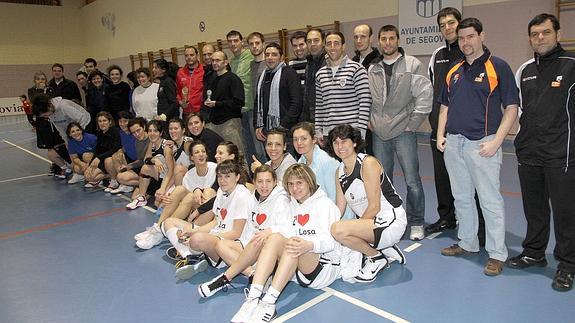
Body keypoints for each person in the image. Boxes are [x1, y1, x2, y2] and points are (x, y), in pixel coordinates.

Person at [437, 17, 519, 276]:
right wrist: (441, 134)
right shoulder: (454, 70)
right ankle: (468, 243)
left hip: (483, 145)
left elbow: (511, 109)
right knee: (461, 198)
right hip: (454, 143)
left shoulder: (499, 67)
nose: (465, 42)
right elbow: (445, 106)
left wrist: (497, 141)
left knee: (489, 201)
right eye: (461, 38)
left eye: (470, 36)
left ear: (481, 36)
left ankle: (497, 253)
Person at [509, 13, 575, 291]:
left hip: (562, 153)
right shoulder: (525, 70)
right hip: (529, 152)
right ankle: (534, 252)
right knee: (534, 209)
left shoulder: (572, 65)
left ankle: (568, 264)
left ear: (557, 33)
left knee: (565, 212)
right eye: (535, 34)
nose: (540, 38)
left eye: (545, 32)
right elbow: (521, 110)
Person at [230, 163, 341, 322]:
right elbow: (284, 228)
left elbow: (331, 242)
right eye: (290, 184)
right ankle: (253, 299)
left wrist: (309, 244)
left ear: (309, 181)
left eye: (299, 183)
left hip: (324, 267)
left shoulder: (324, 205)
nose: (295, 188)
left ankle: (268, 302)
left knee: (293, 242)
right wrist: (270, 231)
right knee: (274, 237)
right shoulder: (292, 205)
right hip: (299, 265)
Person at [426, 8, 486, 243]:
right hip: (441, 130)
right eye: (443, 24)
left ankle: (479, 225)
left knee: (473, 181)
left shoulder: (469, 55)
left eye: (451, 23)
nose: (447, 28)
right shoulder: (437, 55)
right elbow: (436, 91)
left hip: (469, 132)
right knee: (442, 177)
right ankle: (447, 217)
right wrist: (438, 127)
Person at [368, 24, 432, 241]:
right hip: (380, 134)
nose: (387, 42)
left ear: (398, 40)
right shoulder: (373, 68)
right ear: (378, 41)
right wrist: (369, 120)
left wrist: (412, 124)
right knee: (383, 180)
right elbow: (367, 99)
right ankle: (392, 220)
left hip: (404, 132)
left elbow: (424, 96)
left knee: (412, 180)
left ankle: (416, 222)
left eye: (391, 38)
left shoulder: (412, 64)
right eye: (383, 38)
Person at [327, 125, 407, 282]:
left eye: (344, 141)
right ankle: (385, 247)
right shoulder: (340, 171)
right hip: (374, 223)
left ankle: (376, 257)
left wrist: (355, 231)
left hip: (391, 221)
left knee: (339, 231)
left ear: (355, 143)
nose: (340, 146)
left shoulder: (368, 163)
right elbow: (339, 208)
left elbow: (374, 207)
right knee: (335, 228)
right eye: (335, 143)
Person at [198, 164, 291, 298]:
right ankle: (253, 275)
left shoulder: (281, 200)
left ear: (275, 182)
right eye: (260, 181)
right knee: (221, 245)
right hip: (249, 245)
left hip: (266, 249)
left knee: (258, 240)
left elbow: (286, 226)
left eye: (268, 181)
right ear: (254, 182)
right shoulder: (253, 197)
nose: (264, 185)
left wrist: (269, 230)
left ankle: (225, 278)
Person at [167, 160, 252, 280]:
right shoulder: (221, 191)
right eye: (220, 176)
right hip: (216, 235)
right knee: (169, 222)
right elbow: (216, 221)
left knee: (197, 240)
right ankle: (189, 255)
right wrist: (193, 231)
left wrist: (202, 236)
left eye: (227, 176)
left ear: (237, 177)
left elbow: (236, 233)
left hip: (230, 245)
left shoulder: (242, 195)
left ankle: (197, 253)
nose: (222, 180)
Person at [135, 140, 218, 250]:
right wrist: (169, 198)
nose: (201, 154)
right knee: (179, 189)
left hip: (210, 210)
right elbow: (185, 202)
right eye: (197, 152)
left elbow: (217, 194)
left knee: (204, 192)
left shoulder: (215, 168)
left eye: (203, 151)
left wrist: (199, 190)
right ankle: (160, 227)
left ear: (207, 154)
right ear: (192, 157)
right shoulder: (189, 175)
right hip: (194, 209)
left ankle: (162, 229)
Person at [314, 31, 371, 143]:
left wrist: (361, 132)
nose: (332, 47)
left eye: (336, 43)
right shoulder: (320, 74)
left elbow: (365, 101)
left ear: (343, 46)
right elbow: (320, 105)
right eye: (329, 44)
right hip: (328, 135)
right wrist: (318, 130)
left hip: (350, 134)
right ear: (325, 47)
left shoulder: (357, 69)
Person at [32, 93, 91, 178]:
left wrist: (79, 135)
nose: (47, 116)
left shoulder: (63, 106)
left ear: (49, 106)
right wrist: (67, 141)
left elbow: (83, 119)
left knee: (82, 153)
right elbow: (60, 129)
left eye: (45, 114)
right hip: (72, 133)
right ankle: (77, 173)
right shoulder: (51, 114)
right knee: (67, 149)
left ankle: (85, 171)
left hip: (86, 127)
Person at [254, 42, 301, 145]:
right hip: (267, 131)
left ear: (281, 57)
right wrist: (257, 126)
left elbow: (296, 103)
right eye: (267, 55)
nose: (270, 57)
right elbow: (257, 102)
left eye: (274, 54)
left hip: (286, 130)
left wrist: (283, 126)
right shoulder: (263, 76)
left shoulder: (289, 73)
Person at [227, 30, 260, 166]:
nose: (233, 44)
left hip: (253, 107)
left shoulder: (250, 56)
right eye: (230, 41)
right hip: (239, 110)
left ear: (241, 41)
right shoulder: (231, 62)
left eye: (236, 40)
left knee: (259, 147)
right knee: (247, 148)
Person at [126, 120, 174, 210]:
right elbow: (146, 160)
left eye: (155, 131)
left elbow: (171, 170)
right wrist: (154, 160)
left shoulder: (166, 147)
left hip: (168, 179)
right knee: (134, 197)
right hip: (157, 176)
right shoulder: (151, 144)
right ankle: (142, 197)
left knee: (157, 204)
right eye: (150, 131)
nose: (152, 133)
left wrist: (163, 188)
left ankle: (161, 192)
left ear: (161, 133)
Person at [203, 51, 245, 149]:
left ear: (225, 62)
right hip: (214, 123)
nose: (214, 63)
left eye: (218, 60)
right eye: (213, 60)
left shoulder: (233, 79)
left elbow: (239, 102)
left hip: (230, 122)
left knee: (236, 153)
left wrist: (217, 104)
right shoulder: (212, 79)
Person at [292, 122, 339, 204]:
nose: (299, 143)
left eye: (303, 138)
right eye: (295, 139)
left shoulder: (327, 161)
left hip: (334, 213)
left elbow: (334, 197)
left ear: (314, 139)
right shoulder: (301, 162)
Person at [83, 112, 122, 187]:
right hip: (102, 160)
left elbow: (115, 149)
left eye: (104, 120)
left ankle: (113, 178)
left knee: (93, 175)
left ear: (110, 122)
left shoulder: (115, 131)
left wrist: (99, 158)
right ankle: (107, 176)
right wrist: (91, 164)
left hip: (111, 160)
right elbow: (97, 150)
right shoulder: (100, 133)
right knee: (87, 176)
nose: (102, 123)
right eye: (100, 121)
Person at [112, 117, 149, 194]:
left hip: (153, 170)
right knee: (120, 176)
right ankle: (144, 183)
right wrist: (128, 166)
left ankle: (148, 184)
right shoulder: (137, 142)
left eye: (138, 130)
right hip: (143, 168)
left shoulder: (152, 138)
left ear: (144, 127)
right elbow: (141, 161)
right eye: (133, 133)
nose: (137, 134)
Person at [103, 111, 137, 192]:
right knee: (109, 160)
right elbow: (124, 146)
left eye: (125, 121)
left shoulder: (136, 133)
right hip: (129, 158)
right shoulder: (121, 132)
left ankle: (127, 183)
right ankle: (115, 182)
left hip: (137, 162)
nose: (122, 124)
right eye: (120, 121)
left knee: (121, 175)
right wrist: (120, 151)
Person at [300, 28, 326, 123]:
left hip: (325, 119)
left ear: (323, 42)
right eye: (309, 41)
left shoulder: (329, 62)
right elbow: (307, 94)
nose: (312, 44)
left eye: (316, 40)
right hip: (311, 117)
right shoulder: (309, 63)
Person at [176, 46, 205, 121]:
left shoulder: (204, 70)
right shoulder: (180, 72)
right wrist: (180, 102)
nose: (189, 57)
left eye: (191, 55)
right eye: (186, 55)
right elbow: (177, 92)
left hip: (201, 111)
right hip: (186, 112)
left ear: (197, 55)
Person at [166, 118, 193, 186]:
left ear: (183, 130)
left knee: (178, 168)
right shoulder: (173, 146)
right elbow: (172, 171)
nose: (172, 131)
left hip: (192, 180)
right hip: (180, 178)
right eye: (170, 129)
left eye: (176, 128)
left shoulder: (188, 143)